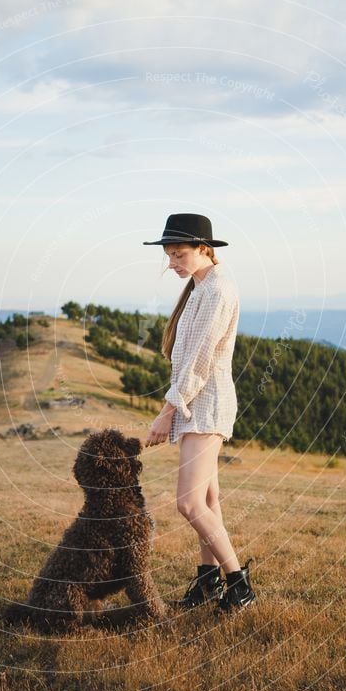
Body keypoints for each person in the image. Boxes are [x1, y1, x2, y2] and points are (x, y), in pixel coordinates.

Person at [143, 213, 256, 612]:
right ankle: (208, 584)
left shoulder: (218, 290)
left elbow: (199, 360)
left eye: (178, 254)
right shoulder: (200, 286)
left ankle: (239, 585)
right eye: (169, 255)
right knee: (208, 497)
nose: (171, 262)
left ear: (203, 249)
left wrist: (166, 413)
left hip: (206, 405)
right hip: (199, 403)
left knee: (189, 504)